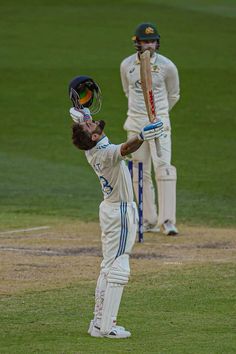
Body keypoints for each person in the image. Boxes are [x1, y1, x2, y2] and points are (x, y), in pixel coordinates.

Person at [68, 75, 164, 338]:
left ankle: (98, 323)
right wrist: (143, 134)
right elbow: (127, 147)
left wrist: (79, 109)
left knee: (108, 265)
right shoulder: (105, 153)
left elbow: (81, 121)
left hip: (111, 210)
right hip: (120, 211)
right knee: (119, 267)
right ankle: (107, 327)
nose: (91, 122)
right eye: (90, 125)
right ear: (96, 137)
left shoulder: (92, 145)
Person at [120, 22, 180, 235]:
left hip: (159, 122)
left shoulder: (167, 66)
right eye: (145, 41)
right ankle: (147, 218)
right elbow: (128, 92)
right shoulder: (126, 65)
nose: (149, 45)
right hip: (135, 122)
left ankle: (167, 221)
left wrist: (159, 115)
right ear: (137, 43)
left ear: (158, 43)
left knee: (163, 168)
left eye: (152, 41)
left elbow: (174, 95)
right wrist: (142, 115)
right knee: (138, 169)